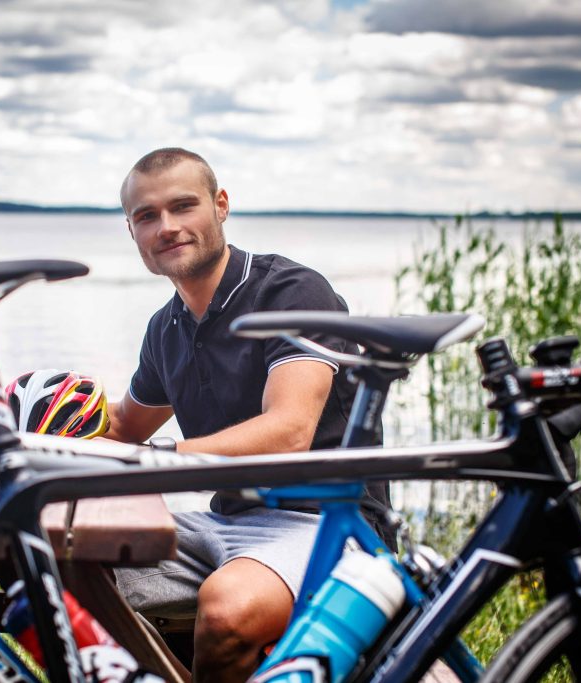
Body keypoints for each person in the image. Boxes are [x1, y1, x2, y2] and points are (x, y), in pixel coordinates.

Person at [104, 148, 390, 682]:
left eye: (182, 206)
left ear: (220, 205)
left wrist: (156, 459)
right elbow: (122, 427)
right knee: (58, 555)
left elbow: (289, 432)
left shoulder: (290, 291)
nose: (167, 227)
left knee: (228, 609)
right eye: (147, 216)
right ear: (132, 231)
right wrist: (21, 419)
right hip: (227, 522)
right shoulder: (164, 328)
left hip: (327, 524)